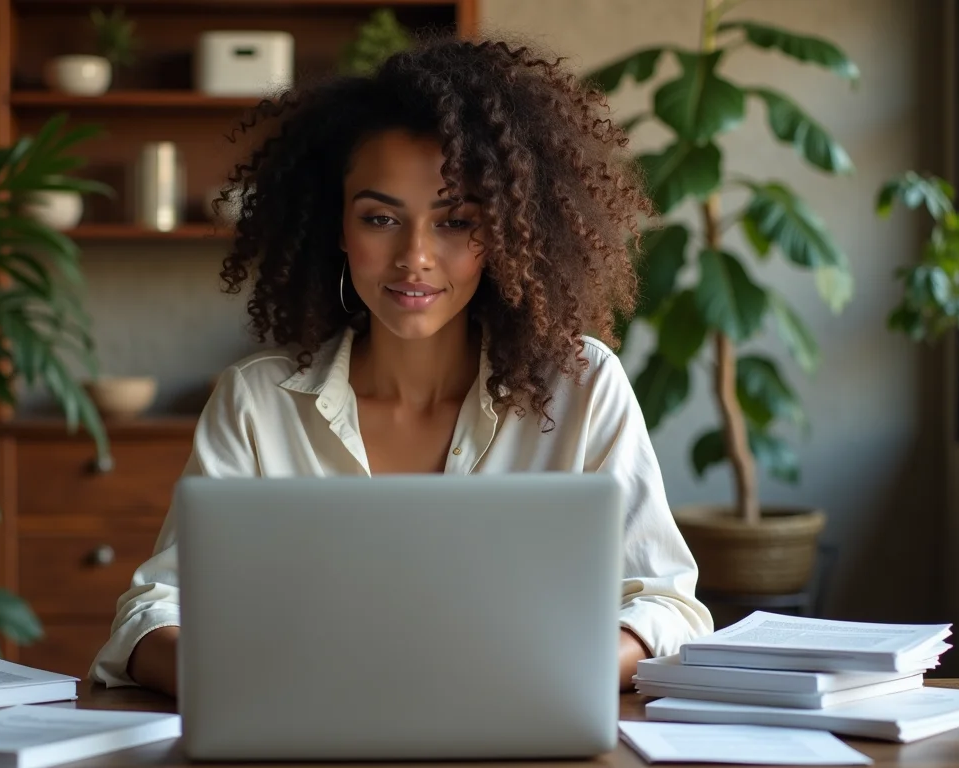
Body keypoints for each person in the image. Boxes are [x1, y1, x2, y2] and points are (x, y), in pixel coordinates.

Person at [89, 36, 713, 699]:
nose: (414, 257)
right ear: (336, 226)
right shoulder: (257, 402)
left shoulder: (583, 386)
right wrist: (246, 686)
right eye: (381, 218)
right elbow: (149, 613)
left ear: (504, 234)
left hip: (523, 732)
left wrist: (549, 678)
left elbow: (669, 607)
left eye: (454, 222)